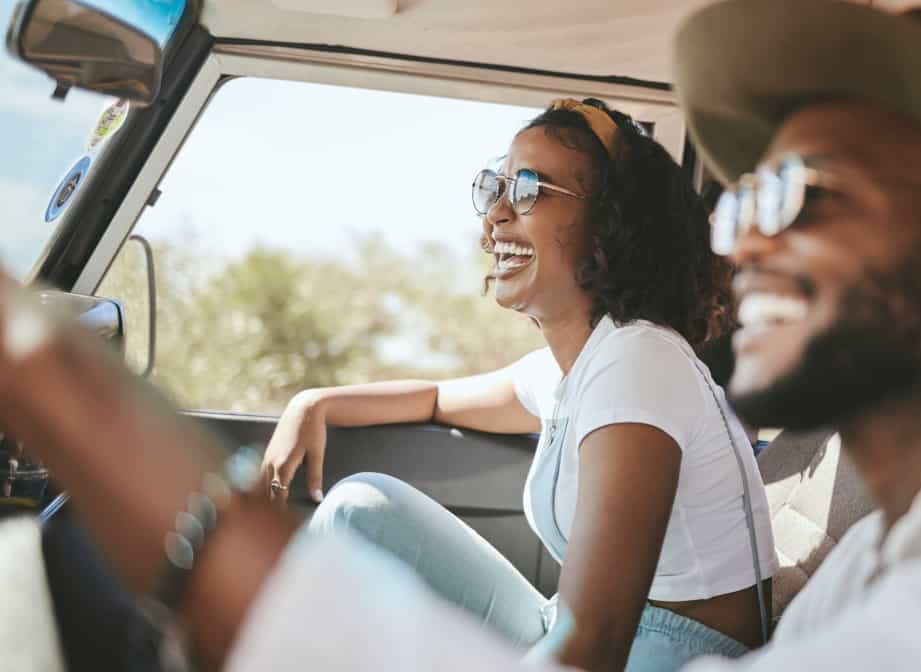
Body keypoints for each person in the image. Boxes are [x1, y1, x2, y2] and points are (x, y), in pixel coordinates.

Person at [4, 2, 921, 671]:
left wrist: (58, 381)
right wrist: (314, 406)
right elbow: (451, 397)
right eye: (744, 202)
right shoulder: (892, 558)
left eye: (809, 192)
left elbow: (591, 649)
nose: (746, 247)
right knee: (346, 511)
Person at [258, 97, 776, 671]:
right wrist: (315, 403)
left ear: (610, 225)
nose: (497, 213)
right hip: (583, 632)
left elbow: (594, 643)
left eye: (529, 189)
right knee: (360, 510)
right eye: (496, 187)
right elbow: (434, 399)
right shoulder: (571, 367)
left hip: (669, 655)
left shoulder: (639, 363)